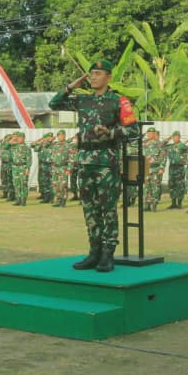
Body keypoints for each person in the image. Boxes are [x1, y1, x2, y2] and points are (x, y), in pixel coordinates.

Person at [48, 59, 139, 272]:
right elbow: (54, 104)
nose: (94, 77)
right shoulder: (83, 101)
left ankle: (108, 254)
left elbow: (134, 132)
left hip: (106, 163)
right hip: (85, 161)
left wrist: (111, 132)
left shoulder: (119, 102)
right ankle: (94, 252)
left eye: (99, 73)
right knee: (89, 209)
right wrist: (71, 86)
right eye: (92, 73)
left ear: (109, 77)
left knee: (107, 209)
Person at [166, 130, 186, 209]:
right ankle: (173, 203)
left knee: (180, 185)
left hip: (180, 167)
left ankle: (179, 203)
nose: (175, 138)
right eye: (174, 137)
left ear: (179, 137)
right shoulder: (170, 146)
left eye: (177, 137)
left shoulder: (183, 146)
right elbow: (161, 145)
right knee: (172, 184)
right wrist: (168, 138)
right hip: (172, 167)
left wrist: (183, 160)